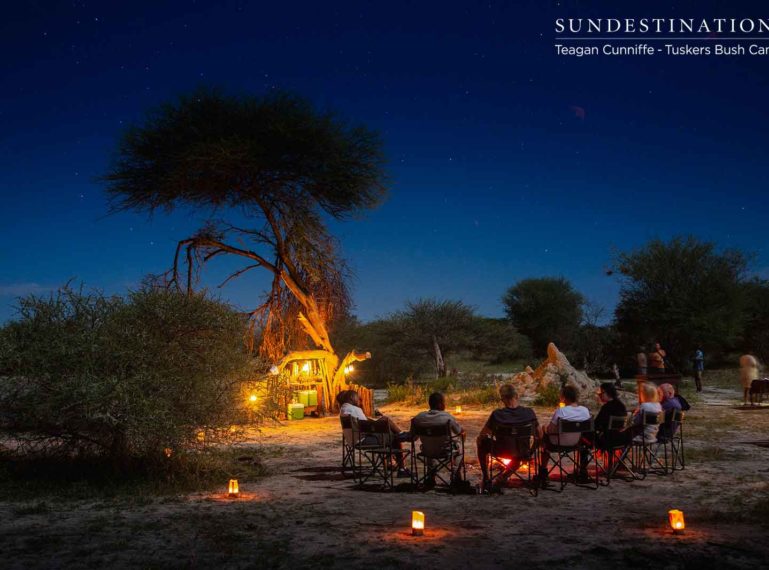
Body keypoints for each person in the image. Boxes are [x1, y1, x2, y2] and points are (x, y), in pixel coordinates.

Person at [476, 384, 539, 490]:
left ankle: (486, 478)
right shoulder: (529, 413)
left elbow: (483, 434)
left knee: (481, 442)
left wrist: (481, 438)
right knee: (518, 449)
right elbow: (540, 435)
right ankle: (504, 476)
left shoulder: (497, 414)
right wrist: (530, 452)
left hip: (503, 450)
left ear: (502, 399)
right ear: (517, 396)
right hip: (523, 451)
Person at [338, 389, 411, 476]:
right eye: (357, 397)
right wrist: (380, 423)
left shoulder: (343, 409)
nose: (358, 400)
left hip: (352, 440)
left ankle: (390, 462)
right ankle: (402, 468)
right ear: (351, 398)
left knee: (387, 432)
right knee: (392, 433)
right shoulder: (355, 409)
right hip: (363, 440)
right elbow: (367, 426)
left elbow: (362, 423)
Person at [411, 392, 465, 484]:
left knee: (430, 442)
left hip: (427, 451)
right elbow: (459, 432)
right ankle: (456, 473)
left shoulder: (418, 418)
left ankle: (431, 475)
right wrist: (462, 437)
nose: (445, 404)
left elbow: (413, 437)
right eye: (444, 402)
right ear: (440, 404)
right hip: (444, 451)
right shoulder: (447, 417)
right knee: (460, 447)